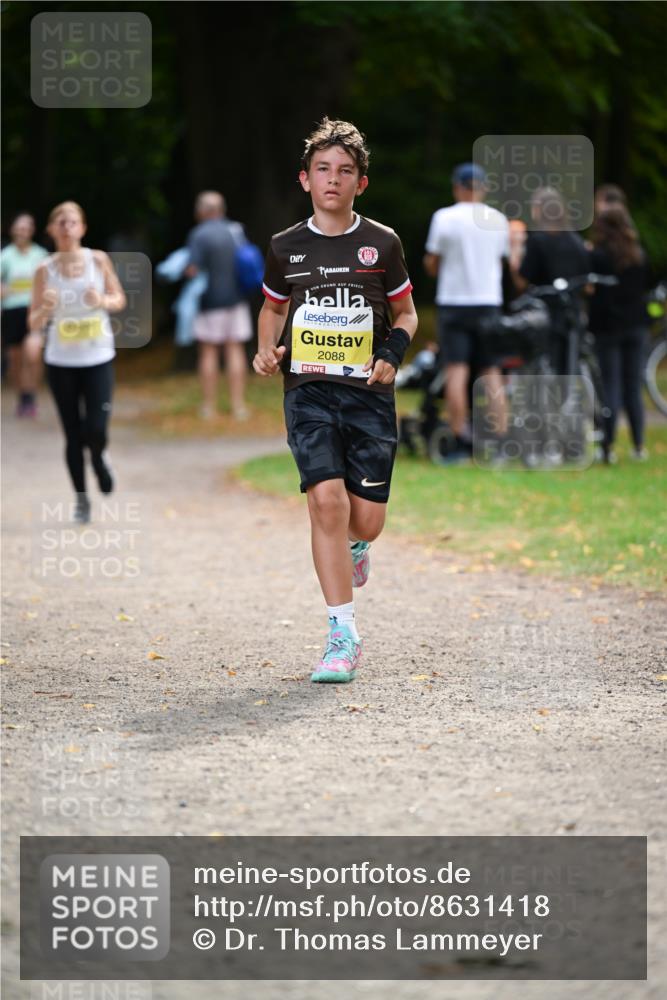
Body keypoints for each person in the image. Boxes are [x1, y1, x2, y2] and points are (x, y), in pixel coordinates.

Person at [253, 117, 417, 683]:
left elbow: (408, 314)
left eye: (345, 171)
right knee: (325, 501)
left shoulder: (382, 243)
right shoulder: (285, 247)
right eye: (323, 169)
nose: (333, 179)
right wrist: (265, 349)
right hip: (307, 389)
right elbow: (273, 309)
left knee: (365, 521)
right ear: (305, 179)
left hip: (368, 392)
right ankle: (341, 635)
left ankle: (356, 547)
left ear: (360, 184)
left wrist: (392, 354)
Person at [29, 202, 126, 523]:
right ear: (51, 230)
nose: (67, 227)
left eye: (73, 222)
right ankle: (81, 500)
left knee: (95, 428)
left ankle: (98, 459)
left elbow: (119, 299)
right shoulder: (45, 269)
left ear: (83, 228)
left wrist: (101, 300)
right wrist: (45, 308)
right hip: (61, 361)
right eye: (60, 222)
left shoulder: (97, 259)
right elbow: (32, 322)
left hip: (97, 356)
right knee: (72, 433)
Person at [423, 163, 509, 462]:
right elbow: (500, 262)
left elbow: (432, 262)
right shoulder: (498, 219)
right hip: (488, 302)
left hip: (454, 302)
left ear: (457, 187)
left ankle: (460, 441)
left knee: (456, 372)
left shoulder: (444, 218)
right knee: (491, 372)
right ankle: (499, 441)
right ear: (482, 188)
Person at [588, 205, 650, 462]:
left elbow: (592, 290)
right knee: (633, 388)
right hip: (636, 327)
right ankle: (638, 445)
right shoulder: (638, 255)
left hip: (608, 328)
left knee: (610, 386)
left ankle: (608, 446)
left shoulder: (599, 256)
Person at [186, 191, 253, 420]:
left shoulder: (199, 234)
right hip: (237, 299)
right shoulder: (236, 231)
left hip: (209, 302)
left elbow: (193, 269)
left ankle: (209, 407)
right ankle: (238, 406)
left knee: (208, 352)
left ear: (202, 211)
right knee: (235, 350)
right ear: (221, 209)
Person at [516, 187, 590, 373]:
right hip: (573, 314)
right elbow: (588, 286)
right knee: (568, 366)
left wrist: (514, 259)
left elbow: (521, 282)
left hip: (544, 316)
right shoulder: (576, 240)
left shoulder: (537, 240)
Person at [1, 213, 48, 416]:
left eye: (26, 228)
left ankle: (31, 396)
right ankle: (22, 396)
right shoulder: (5, 256)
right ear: (13, 230)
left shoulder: (40, 255)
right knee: (15, 359)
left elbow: (50, 280)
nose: (22, 232)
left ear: (31, 231)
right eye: (19, 228)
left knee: (33, 353)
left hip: (34, 310)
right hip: (12, 311)